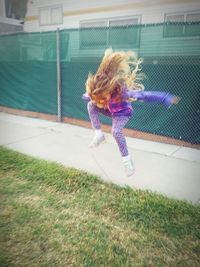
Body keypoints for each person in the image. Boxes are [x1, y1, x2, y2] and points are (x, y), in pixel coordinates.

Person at [82, 48, 180, 176]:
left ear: (110, 90)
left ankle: (127, 162)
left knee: (116, 131)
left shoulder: (123, 94)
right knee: (91, 105)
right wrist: (90, 97)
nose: (101, 101)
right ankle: (99, 135)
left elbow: (145, 95)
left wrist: (165, 97)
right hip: (110, 110)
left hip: (123, 114)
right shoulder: (99, 93)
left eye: (104, 97)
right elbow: (91, 96)